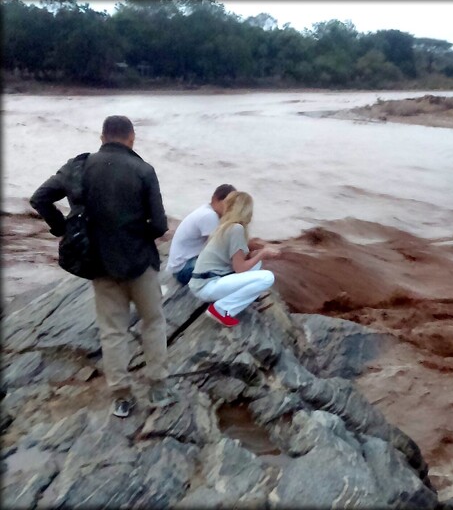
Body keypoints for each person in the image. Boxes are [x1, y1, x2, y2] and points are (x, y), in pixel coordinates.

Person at [30, 115, 173, 419]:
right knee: (154, 322)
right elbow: (159, 224)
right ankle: (158, 387)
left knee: (112, 331)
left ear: (101, 137)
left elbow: (39, 198)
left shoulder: (80, 168)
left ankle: (121, 397)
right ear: (131, 138)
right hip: (140, 262)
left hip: (100, 263)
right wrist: (136, 235)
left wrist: (61, 228)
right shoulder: (144, 170)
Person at [188, 191, 279, 327]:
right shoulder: (236, 229)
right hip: (207, 285)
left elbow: (238, 260)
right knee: (267, 278)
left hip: (204, 281)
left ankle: (233, 300)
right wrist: (263, 253)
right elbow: (240, 268)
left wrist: (257, 254)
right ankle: (221, 309)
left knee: (257, 265)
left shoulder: (225, 227)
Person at [166, 184, 236, 285]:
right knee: (229, 272)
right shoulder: (209, 216)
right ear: (215, 199)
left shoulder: (207, 210)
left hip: (182, 264)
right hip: (183, 269)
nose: (230, 210)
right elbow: (218, 248)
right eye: (228, 205)